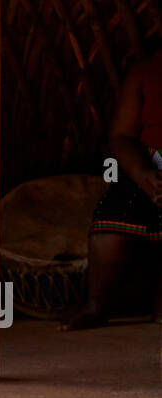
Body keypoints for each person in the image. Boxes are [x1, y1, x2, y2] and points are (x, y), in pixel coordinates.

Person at [61, 46, 162, 331]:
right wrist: (143, 175)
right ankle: (96, 306)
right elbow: (121, 136)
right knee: (109, 225)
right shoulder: (145, 71)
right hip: (150, 172)